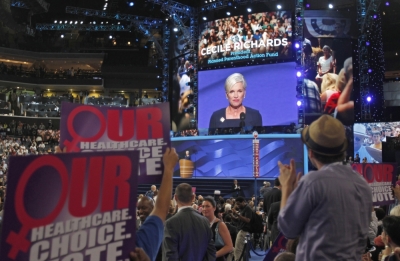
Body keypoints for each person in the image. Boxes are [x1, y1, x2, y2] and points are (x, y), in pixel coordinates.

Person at [278, 115, 373, 260]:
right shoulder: (363, 185)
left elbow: (288, 228)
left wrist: (286, 187)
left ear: (311, 153)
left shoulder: (313, 182)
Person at [134, 148, 179, 261]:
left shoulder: (137, 245)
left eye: (143, 208)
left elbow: (160, 209)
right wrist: (168, 168)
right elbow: (161, 209)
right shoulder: (136, 241)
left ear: (152, 207)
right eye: (138, 208)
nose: (140, 211)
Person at [162, 183, 216, 261]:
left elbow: (169, 256)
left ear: (175, 198)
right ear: (193, 197)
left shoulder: (170, 223)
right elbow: (211, 252)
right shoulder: (204, 221)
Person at [202, 196, 234, 260]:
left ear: (214, 208)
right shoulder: (201, 223)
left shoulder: (220, 225)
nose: (204, 209)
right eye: (203, 206)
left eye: (207, 206)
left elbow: (229, 246)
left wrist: (213, 255)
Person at [231, 196, 252, 261]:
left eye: (238, 204)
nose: (237, 205)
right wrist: (232, 214)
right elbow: (238, 219)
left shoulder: (247, 208)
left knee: (238, 250)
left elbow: (248, 220)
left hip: (244, 232)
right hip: (243, 231)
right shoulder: (242, 208)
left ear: (243, 202)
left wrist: (237, 214)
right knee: (242, 249)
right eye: (236, 204)